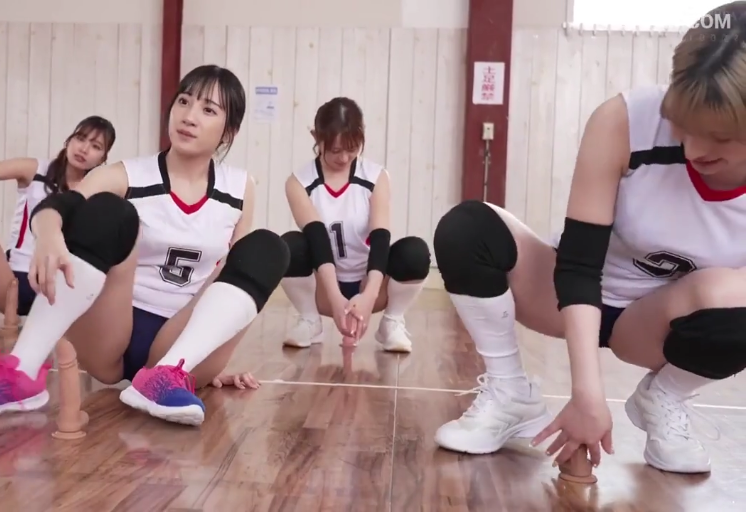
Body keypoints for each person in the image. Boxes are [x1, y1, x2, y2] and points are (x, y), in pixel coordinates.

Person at [430, 2, 746, 474]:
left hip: (658, 326)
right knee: (467, 228)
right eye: (686, 125)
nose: (695, 149)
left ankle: (664, 396)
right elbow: (579, 266)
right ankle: (510, 391)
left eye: (719, 137)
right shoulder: (623, 121)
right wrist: (587, 396)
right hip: (568, 294)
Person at [0, 64, 289, 426]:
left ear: (229, 131)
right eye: (184, 102)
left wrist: (212, 359)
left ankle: (166, 377)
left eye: (208, 110)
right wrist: (50, 234)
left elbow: (232, 274)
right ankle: (20, 375)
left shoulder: (240, 187)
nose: (189, 116)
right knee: (110, 212)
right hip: (112, 332)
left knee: (268, 247)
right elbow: (57, 207)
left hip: (180, 342)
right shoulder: (126, 173)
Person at [280, 97, 431, 351]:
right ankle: (310, 320)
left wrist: (370, 294)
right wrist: (335, 297)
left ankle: (392, 322)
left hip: (370, 282)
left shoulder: (376, 176)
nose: (344, 158)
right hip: (324, 288)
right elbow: (317, 239)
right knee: (288, 246)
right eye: (335, 150)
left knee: (415, 252)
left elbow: (381, 236)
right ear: (316, 137)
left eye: (352, 148)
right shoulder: (298, 182)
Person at [0, 116, 116, 328]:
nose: (84, 149)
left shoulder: (99, 190)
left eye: (95, 146)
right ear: (69, 140)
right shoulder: (34, 169)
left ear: (103, 158)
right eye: (80, 138)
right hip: (10, 282)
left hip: (58, 291)